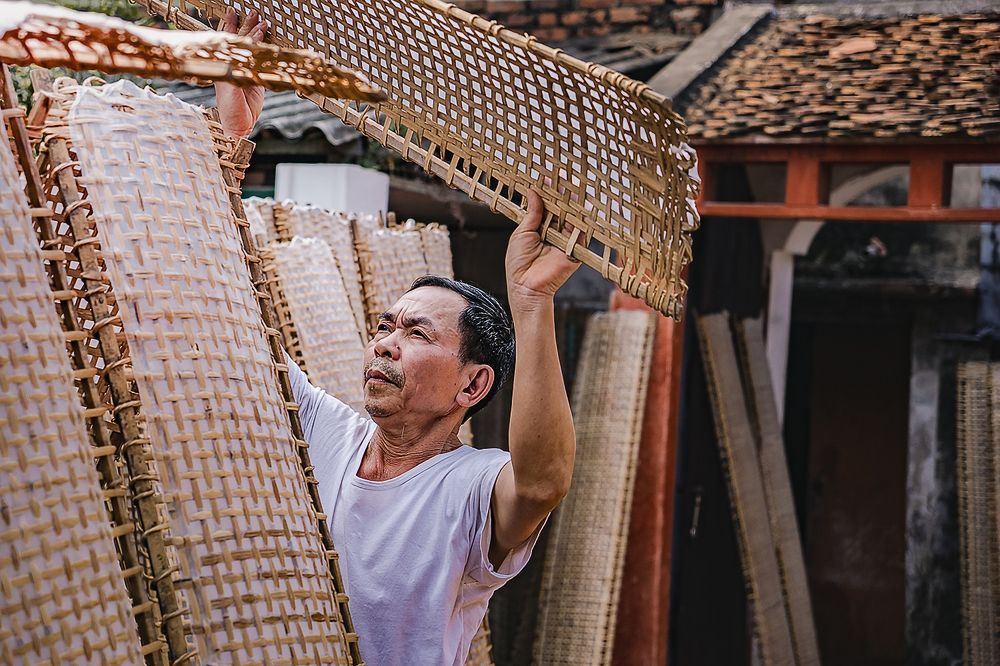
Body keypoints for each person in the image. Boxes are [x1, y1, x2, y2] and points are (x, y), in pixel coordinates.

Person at [214, 10, 579, 665]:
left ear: (474, 383)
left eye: (415, 333)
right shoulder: (327, 431)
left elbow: (543, 480)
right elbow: (229, 319)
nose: (384, 342)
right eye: (384, 326)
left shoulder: (470, 488)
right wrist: (230, 148)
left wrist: (530, 301)